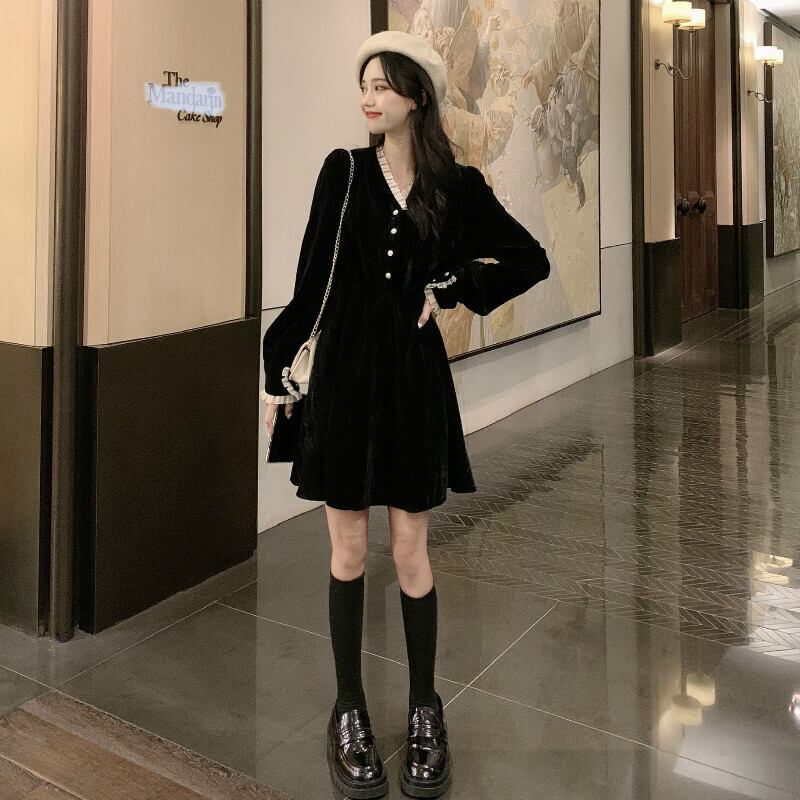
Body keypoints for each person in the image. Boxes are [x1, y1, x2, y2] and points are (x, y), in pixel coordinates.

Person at [261, 30, 550, 799]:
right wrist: (277, 374)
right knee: (348, 549)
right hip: (344, 379)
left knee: (413, 552)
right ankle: (349, 708)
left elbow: (526, 259)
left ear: (417, 96)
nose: (369, 97)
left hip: (416, 383)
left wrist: (451, 289)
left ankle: (426, 707)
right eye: (365, 84)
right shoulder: (345, 172)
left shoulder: (456, 187)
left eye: (384, 85)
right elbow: (312, 283)